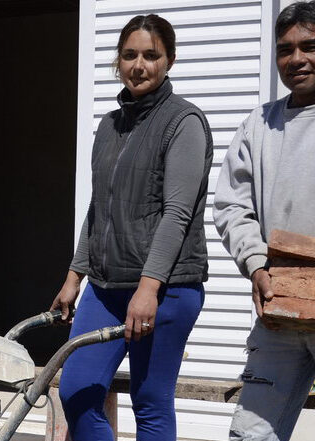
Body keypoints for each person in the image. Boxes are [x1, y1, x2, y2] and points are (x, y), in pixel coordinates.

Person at [49, 14, 213, 441]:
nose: (139, 65)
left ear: (170, 60)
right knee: (77, 392)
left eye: (151, 56)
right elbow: (99, 206)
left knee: (150, 402)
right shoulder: (109, 125)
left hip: (166, 289)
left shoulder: (184, 123)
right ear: (118, 61)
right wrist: (74, 276)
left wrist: (148, 289)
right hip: (105, 288)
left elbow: (177, 214)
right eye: (129, 55)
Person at [214, 2, 315, 439]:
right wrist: (255, 262)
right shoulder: (259, 125)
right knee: (251, 434)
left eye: (310, 46)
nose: (296, 59)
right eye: (285, 49)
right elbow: (231, 206)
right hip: (280, 314)